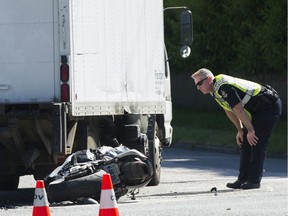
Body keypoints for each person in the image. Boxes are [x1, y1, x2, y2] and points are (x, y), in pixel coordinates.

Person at [191, 68, 282, 189]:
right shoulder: (214, 90)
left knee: (256, 140)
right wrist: (240, 130)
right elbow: (228, 110)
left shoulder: (223, 87)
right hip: (257, 110)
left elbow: (238, 109)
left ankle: (254, 180)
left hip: (269, 106)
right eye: (196, 85)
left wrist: (250, 130)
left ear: (209, 79)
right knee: (245, 140)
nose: (198, 87)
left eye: (199, 83)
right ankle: (242, 179)